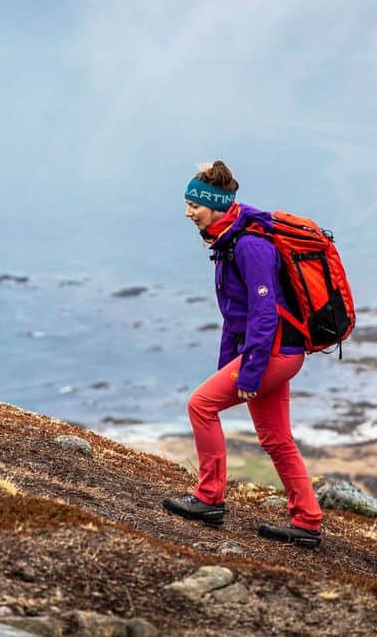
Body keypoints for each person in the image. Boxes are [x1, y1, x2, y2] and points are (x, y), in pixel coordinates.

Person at [162, 160, 323, 549]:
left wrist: (249, 372)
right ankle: (307, 521)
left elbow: (264, 314)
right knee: (276, 437)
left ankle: (209, 498)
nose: (187, 212)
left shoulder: (249, 246)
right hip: (274, 352)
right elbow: (236, 316)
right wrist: (229, 365)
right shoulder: (228, 241)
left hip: (275, 354)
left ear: (216, 206)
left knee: (200, 405)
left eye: (193, 205)